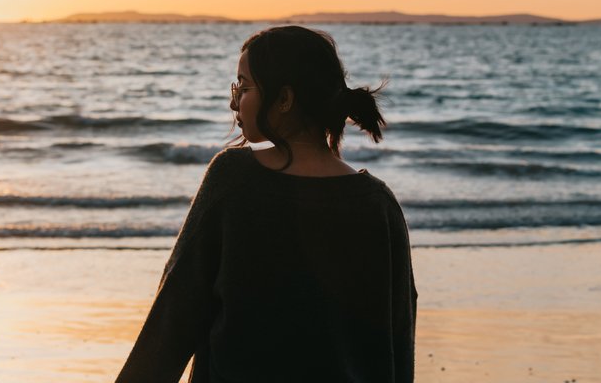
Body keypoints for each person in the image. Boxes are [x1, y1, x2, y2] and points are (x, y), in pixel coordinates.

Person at [116, 26, 417, 382]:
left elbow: (174, 318)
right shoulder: (378, 204)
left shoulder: (234, 179)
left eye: (243, 87)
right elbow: (397, 341)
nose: (233, 102)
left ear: (284, 99)